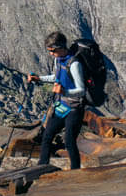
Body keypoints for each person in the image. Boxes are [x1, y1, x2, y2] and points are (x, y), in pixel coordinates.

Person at [29, 30, 88, 170]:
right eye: (49, 50)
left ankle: (75, 171)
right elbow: (56, 77)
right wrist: (39, 79)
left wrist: (64, 91)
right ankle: (41, 167)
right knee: (47, 135)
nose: (51, 53)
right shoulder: (58, 60)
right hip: (61, 105)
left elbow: (81, 90)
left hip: (74, 108)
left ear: (61, 47)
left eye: (53, 50)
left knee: (69, 141)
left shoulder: (74, 64)